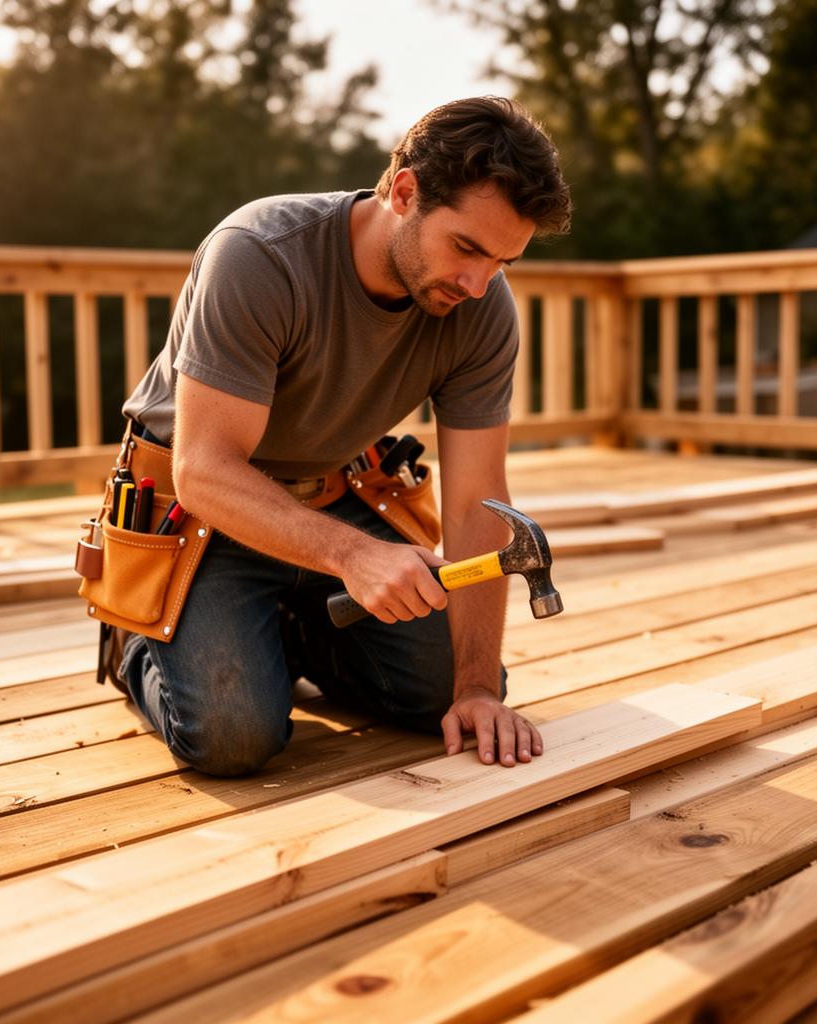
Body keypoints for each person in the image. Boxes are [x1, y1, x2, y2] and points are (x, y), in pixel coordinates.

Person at [116, 96, 571, 777]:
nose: (478, 285)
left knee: (450, 695)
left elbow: (479, 497)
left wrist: (475, 685)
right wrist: (355, 558)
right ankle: (137, 642)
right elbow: (205, 469)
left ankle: (289, 633)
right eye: (467, 248)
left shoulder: (480, 308)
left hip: (338, 495)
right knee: (233, 736)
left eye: (503, 262)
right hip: (204, 515)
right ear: (405, 189)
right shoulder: (259, 256)